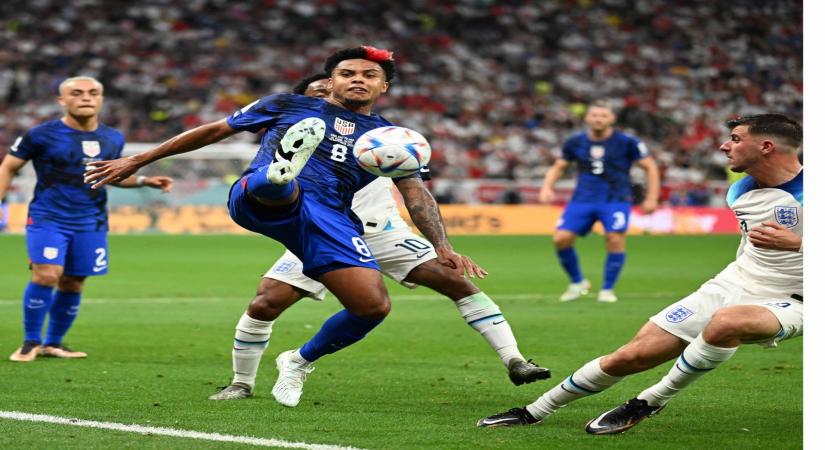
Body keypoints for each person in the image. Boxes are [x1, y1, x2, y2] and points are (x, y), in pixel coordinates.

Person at [84, 46, 488, 408]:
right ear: (331, 80)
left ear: (384, 86)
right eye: (347, 73)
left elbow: (416, 195)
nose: (357, 80)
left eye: (369, 75)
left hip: (331, 220)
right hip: (262, 198)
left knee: (372, 307)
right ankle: (281, 172)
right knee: (281, 187)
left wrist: (442, 245)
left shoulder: (389, 138)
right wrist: (138, 159)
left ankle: (298, 360)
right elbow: (214, 131)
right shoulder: (288, 105)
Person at [207, 74, 550, 401]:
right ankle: (241, 383)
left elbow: (416, 193)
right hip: (320, 232)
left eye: (327, 90)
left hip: (383, 231)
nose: (324, 97)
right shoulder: (294, 136)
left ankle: (514, 359)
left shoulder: (380, 137)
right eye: (317, 94)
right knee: (267, 302)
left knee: (455, 281)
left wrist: (442, 245)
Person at [478, 114, 803, 434]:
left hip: (800, 297)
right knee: (632, 355)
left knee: (727, 323)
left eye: (735, 139)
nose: (723, 146)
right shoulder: (739, 191)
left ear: (766, 146)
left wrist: (799, 243)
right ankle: (534, 411)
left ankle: (649, 401)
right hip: (736, 282)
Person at [0, 76, 174, 362]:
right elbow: (8, 167)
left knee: (74, 281)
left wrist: (144, 180)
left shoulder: (112, 138)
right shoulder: (41, 134)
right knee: (46, 275)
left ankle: (53, 343)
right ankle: (30, 342)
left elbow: (112, 176)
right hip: (48, 216)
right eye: (77, 93)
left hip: (91, 220)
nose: (86, 97)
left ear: (101, 99)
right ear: (62, 100)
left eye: (93, 93)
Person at [539, 100, 660, 303]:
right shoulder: (575, 141)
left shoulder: (627, 142)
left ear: (612, 118)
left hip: (616, 199)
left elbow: (650, 166)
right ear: (587, 118)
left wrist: (652, 197)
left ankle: (607, 289)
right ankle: (577, 283)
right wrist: (547, 187)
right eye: (594, 115)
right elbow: (559, 166)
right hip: (582, 199)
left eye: (603, 116)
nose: (598, 119)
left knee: (614, 239)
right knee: (561, 239)